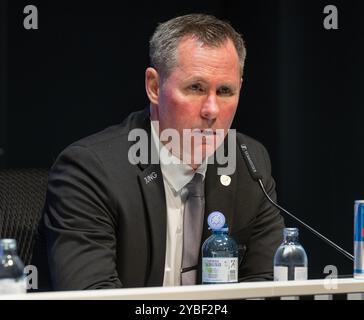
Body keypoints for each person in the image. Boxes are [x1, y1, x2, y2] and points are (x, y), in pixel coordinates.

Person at [35, 13, 284, 290]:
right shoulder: (90, 171)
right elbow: (92, 294)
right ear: (154, 87)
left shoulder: (249, 163)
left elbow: (267, 286)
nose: (211, 110)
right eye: (195, 88)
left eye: (225, 91)